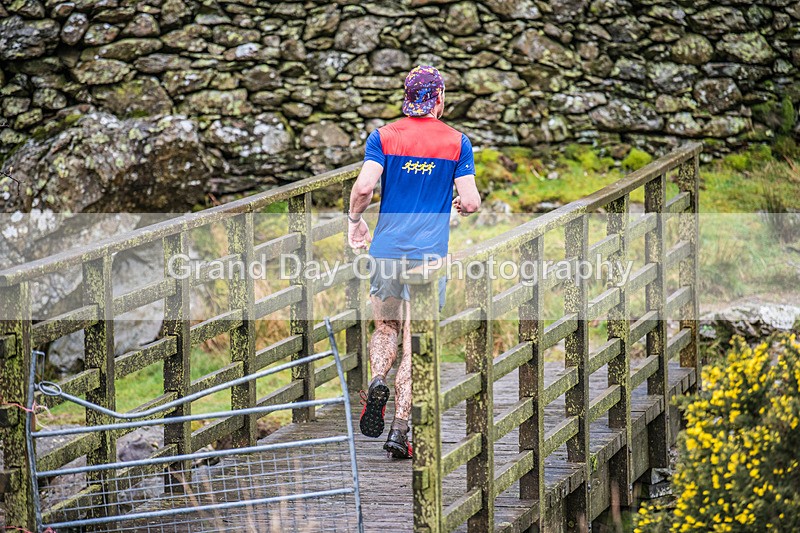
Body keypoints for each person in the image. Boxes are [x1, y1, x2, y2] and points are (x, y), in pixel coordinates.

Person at [346, 65, 481, 459]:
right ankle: (400, 429)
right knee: (414, 343)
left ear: (407, 98)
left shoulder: (384, 136)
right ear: (438, 99)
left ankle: (375, 381)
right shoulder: (458, 142)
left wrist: (355, 222)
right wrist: (458, 203)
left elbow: (364, 187)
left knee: (385, 325)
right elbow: (470, 201)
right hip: (428, 257)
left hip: (386, 250)